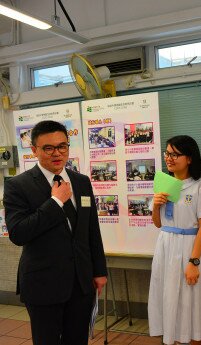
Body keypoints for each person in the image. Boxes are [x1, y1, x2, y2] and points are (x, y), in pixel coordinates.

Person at [4, 120, 107, 345]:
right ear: (34, 150)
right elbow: (18, 233)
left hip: (81, 282)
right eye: (48, 148)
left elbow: (91, 229)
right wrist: (54, 202)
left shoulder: (81, 182)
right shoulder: (18, 185)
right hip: (43, 282)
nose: (57, 153)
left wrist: (99, 270)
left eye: (62, 146)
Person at [148, 135, 201, 345]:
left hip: (189, 249)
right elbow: (159, 224)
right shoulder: (164, 184)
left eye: (175, 154)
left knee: (193, 302)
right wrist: (155, 205)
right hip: (166, 248)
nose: (169, 158)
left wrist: (193, 262)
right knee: (169, 299)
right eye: (167, 153)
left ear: (189, 158)